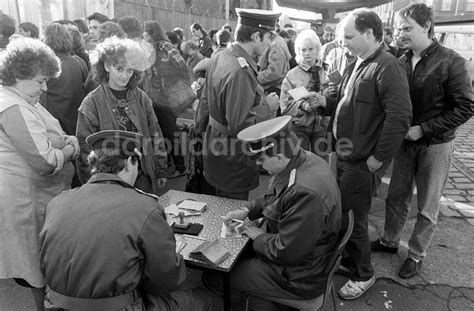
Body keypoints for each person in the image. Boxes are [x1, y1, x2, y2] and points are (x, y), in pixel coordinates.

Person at [40, 130, 212, 311]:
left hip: (56, 306)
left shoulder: (57, 202)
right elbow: (166, 281)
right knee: (200, 298)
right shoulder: (145, 207)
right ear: (131, 163)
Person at [312, 8, 412, 300]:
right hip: (346, 156)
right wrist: (323, 101)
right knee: (343, 214)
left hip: (361, 161)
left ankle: (363, 273)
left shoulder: (387, 67)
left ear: (369, 33)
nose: (344, 43)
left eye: (349, 37)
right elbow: (347, 103)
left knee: (353, 218)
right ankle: (350, 261)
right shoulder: (360, 62)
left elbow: (400, 118)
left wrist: (377, 159)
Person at [371, 3, 473, 279]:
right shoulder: (401, 60)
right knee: (396, 197)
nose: (401, 33)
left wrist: (424, 129)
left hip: (436, 146)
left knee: (427, 205)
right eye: (399, 28)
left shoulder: (451, 61)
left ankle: (416, 254)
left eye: (407, 28)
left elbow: (465, 107)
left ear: (427, 26)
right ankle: (390, 241)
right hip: (405, 143)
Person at [204, 116, 341, 310]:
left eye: (261, 159)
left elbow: (287, 252)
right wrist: (248, 210)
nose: (259, 165)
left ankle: (259, 304)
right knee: (234, 260)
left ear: (278, 156)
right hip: (304, 263)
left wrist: (257, 235)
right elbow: (277, 198)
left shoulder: (305, 193)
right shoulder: (303, 160)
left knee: (217, 277)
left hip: (297, 276)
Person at [0, 37, 78, 311]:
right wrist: (69, 149)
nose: (45, 88)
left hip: (36, 195)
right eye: (40, 80)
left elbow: (45, 136)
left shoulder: (20, 97)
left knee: (42, 263)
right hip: (28, 199)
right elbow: (44, 160)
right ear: (19, 75)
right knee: (37, 266)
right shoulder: (13, 105)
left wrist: (62, 140)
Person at [202, 8, 281, 200]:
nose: (271, 43)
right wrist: (268, 106)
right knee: (231, 214)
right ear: (256, 35)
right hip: (232, 156)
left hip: (216, 147)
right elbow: (242, 128)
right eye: (269, 37)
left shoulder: (222, 54)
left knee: (218, 206)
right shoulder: (240, 71)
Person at [76, 37, 168, 194]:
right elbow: (85, 151)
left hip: (142, 175)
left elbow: (155, 133)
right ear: (106, 66)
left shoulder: (141, 97)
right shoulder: (91, 104)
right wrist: (91, 186)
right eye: (119, 69)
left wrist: (161, 168)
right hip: (109, 182)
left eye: (130, 70)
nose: (125, 76)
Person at [142, 20, 191, 178]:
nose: (142, 35)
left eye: (145, 31)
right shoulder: (150, 48)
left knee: (170, 131)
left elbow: (182, 66)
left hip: (166, 98)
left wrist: (168, 78)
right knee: (161, 131)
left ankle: (181, 167)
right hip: (156, 97)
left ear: (152, 33)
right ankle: (170, 163)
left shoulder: (164, 46)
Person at [280, 29, 328, 156]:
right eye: (303, 50)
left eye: (310, 49)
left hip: (322, 125)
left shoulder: (327, 70)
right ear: (298, 51)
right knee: (300, 162)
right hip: (299, 127)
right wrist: (302, 105)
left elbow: (335, 96)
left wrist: (324, 98)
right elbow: (284, 104)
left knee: (321, 163)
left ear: (317, 49)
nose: (307, 53)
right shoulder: (292, 75)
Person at [41, 23, 89, 136]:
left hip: (56, 123)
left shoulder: (46, 64)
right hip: (77, 120)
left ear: (47, 40)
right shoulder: (79, 61)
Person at [257, 21, 291, 97]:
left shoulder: (275, 45)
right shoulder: (277, 41)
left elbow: (274, 72)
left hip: (272, 89)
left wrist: (255, 77)